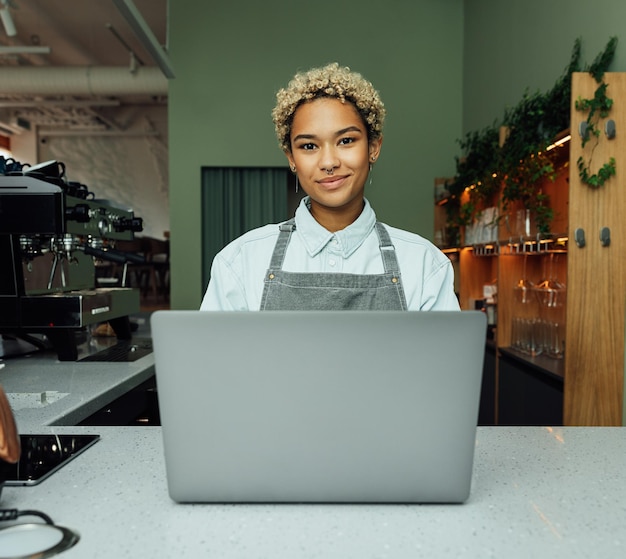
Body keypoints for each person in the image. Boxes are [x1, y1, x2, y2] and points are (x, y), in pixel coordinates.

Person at [201, 62, 459, 311]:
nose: (328, 162)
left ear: (373, 148)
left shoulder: (424, 264)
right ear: (291, 158)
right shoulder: (240, 262)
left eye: (346, 140)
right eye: (309, 146)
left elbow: (445, 356)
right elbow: (212, 354)